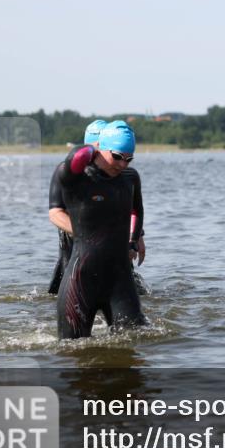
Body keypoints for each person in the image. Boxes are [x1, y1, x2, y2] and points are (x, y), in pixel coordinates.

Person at [54, 121, 147, 338]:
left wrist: (135, 239)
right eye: (117, 156)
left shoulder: (128, 178)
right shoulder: (76, 178)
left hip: (118, 274)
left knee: (137, 340)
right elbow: (55, 211)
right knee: (73, 350)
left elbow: (134, 210)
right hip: (80, 268)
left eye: (129, 158)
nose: (123, 164)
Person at [47, 120, 105, 294]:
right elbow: (56, 214)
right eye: (101, 146)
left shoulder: (116, 173)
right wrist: (85, 233)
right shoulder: (66, 171)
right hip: (75, 249)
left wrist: (136, 237)